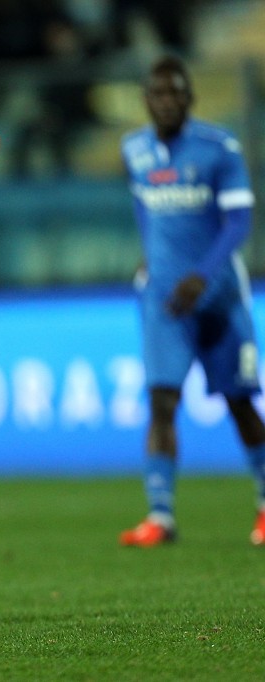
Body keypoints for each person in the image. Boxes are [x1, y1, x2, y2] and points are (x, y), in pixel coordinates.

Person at [119, 56, 265, 547]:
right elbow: (143, 206)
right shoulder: (134, 149)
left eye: (175, 94)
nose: (167, 102)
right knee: (162, 401)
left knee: (239, 403)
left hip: (218, 295)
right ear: (146, 100)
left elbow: (239, 223)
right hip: (163, 299)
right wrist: (150, 257)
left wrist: (203, 276)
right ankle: (160, 517)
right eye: (158, 94)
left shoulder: (219, 147)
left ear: (190, 99)